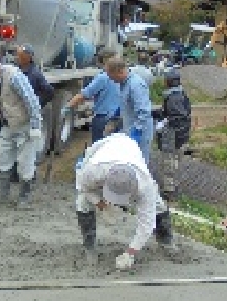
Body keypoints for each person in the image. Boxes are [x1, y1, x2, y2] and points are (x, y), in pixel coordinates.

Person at [75, 133, 174, 268]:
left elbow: (146, 224)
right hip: (104, 148)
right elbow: (82, 187)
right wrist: (100, 203)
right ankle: (89, 246)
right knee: (82, 202)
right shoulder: (94, 171)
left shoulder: (146, 186)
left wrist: (130, 252)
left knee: (158, 205)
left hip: (130, 149)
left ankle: (165, 241)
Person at [0, 52, 43, 206]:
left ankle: (24, 198)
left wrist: (35, 126)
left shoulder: (14, 76)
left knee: (25, 162)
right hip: (7, 125)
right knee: (2, 158)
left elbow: (31, 101)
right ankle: (2, 196)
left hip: (25, 124)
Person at [63, 48, 121, 143]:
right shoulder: (121, 76)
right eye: (116, 58)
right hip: (117, 117)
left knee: (99, 147)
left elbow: (84, 94)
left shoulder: (102, 77)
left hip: (104, 119)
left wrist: (68, 106)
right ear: (108, 60)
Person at [105, 57, 155, 165]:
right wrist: (117, 114)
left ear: (119, 71)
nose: (111, 79)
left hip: (141, 132)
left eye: (111, 76)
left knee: (139, 163)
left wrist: (136, 133)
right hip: (130, 128)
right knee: (129, 162)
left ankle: (142, 182)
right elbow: (127, 102)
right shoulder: (124, 83)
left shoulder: (136, 85)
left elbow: (144, 112)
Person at [153, 67, 191, 201]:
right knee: (174, 163)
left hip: (173, 136)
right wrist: (157, 113)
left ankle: (169, 192)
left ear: (169, 81)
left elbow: (177, 117)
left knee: (169, 163)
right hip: (182, 135)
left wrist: (163, 123)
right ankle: (173, 186)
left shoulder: (173, 98)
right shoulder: (180, 95)